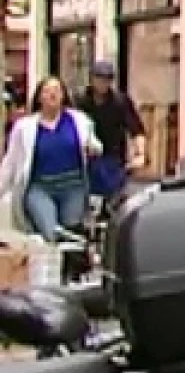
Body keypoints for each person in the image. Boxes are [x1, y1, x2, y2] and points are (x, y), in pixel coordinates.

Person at [0, 76, 102, 241]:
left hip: (72, 187)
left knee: (71, 233)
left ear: (63, 96)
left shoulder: (79, 120)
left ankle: (66, 265)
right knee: (50, 231)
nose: (52, 95)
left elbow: (95, 144)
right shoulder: (24, 127)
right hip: (40, 188)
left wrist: (93, 148)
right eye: (47, 91)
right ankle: (49, 261)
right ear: (39, 97)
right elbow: (10, 164)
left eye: (57, 91)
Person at [76, 60, 145, 199]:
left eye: (107, 78)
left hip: (113, 159)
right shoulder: (80, 101)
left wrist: (140, 154)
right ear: (92, 79)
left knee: (113, 197)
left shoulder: (120, 101)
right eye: (99, 77)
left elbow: (136, 129)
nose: (103, 82)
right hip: (86, 159)